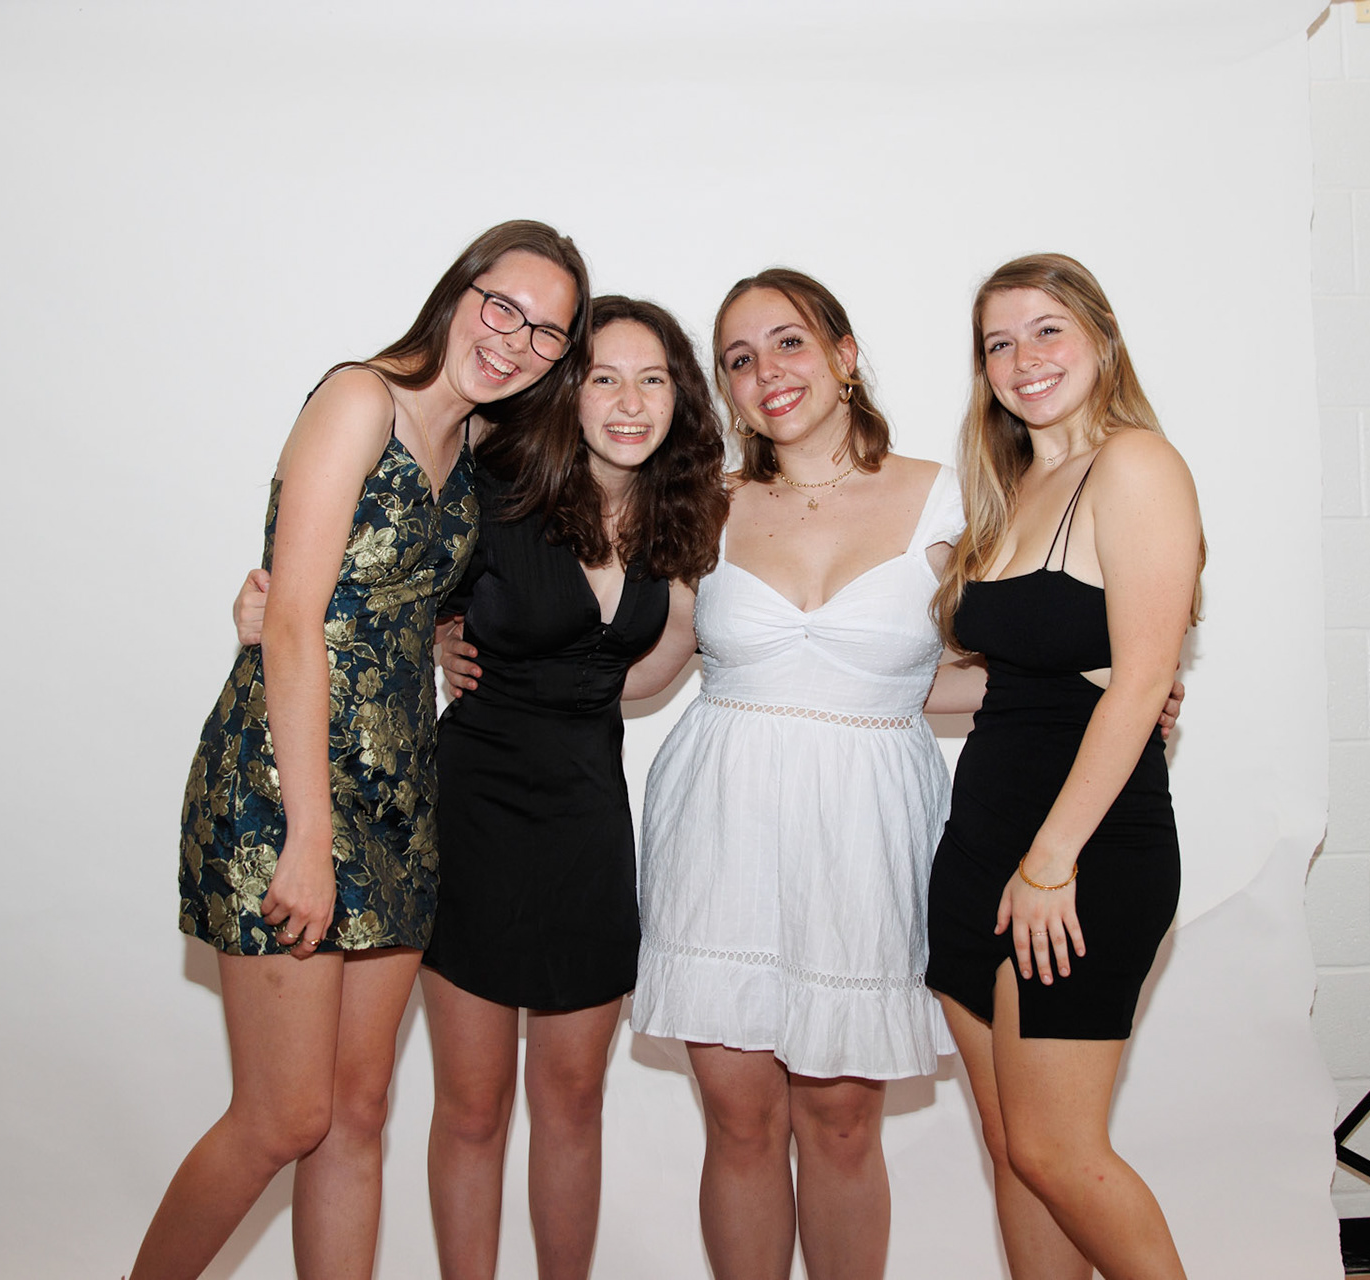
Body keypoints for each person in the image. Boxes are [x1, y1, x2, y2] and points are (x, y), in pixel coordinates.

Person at [131, 220, 590, 1280]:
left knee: (358, 1109)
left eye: (547, 334)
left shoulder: (473, 447)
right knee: (284, 1115)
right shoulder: (360, 398)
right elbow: (294, 621)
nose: (515, 341)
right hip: (285, 783)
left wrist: (438, 632)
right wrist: (308, 836)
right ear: (459, 291)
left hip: (398, 792)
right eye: (503, 307)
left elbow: (392, 585)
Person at [232, 297, 727, 1280]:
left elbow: (659, 660)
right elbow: (377, 581)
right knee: (471, 1105)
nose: (629, 402)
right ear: (567, 391)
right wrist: (283, 609)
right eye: (603, 378)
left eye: (653, 380)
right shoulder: (492, 484)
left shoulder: (686, 512)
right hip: (472, 815)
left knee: (573, 1099)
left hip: (590, 821)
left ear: (680, 397)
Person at [628, 269, 967, 1280]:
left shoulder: (949, 494)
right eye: (739, 358)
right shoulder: (709, 505)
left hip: (866, 828)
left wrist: (1110, 685)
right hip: (721, 823)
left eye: (789, 342)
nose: (766, 371)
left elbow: (973, 670)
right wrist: (490, 656)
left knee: (843, 1120)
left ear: (844, 354)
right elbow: (653, 659)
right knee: (739, 1120)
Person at [925, 253, 1201, 1280]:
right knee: (1014, 1153)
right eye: (998, 342)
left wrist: (1049, 862)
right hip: (980, 846)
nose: (1023, 358)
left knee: (1056, 1149)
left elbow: (1143, 679)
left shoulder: (1135, 464)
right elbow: (1006, 683)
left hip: (1081, 856)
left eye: (1047, 329)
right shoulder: (1009, 489)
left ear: (1101, 337)